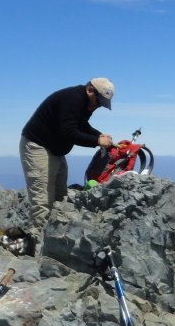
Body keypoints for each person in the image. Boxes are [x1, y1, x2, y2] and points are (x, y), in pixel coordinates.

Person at [20, 77, 115, 234]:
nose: (98, 105)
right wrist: (97, 140)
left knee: (60, 197)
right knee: (42, 200)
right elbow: (69, 132)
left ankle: (52, 239)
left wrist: (99, 135)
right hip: (38, 146)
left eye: (101, 103)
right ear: (90, 90)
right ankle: (36, 244)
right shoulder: (73, 99)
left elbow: (81, 125)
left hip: (55, 149)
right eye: (98, 101)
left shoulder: (86, 103)